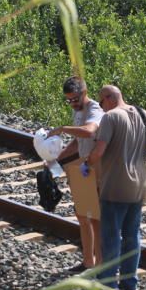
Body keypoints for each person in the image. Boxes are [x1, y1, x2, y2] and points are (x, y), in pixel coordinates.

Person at [86, 85, 146, 290]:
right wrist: (138, 142)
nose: (101, 107)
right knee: (132, 236)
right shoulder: (141, 113)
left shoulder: (110, 117)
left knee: (111, 236)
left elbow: (100, 150)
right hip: (139, 186)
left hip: (114, 185)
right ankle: (129, 284)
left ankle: (107, 285)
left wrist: (87, 162)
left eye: (101, 102)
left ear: (108, 98)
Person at [47, 76, 104, 270]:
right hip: (84, 166)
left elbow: (88, 132)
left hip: (97, 167)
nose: (72, 104)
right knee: (82, 215)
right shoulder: (78, 111)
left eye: (75, 99)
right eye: (68, 100)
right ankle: (88, 261)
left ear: (84, 93)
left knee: (95, 218)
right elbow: (78, 142)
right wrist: (56, 161)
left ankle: (100, 265)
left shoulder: (94, 109)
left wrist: (63, 129)